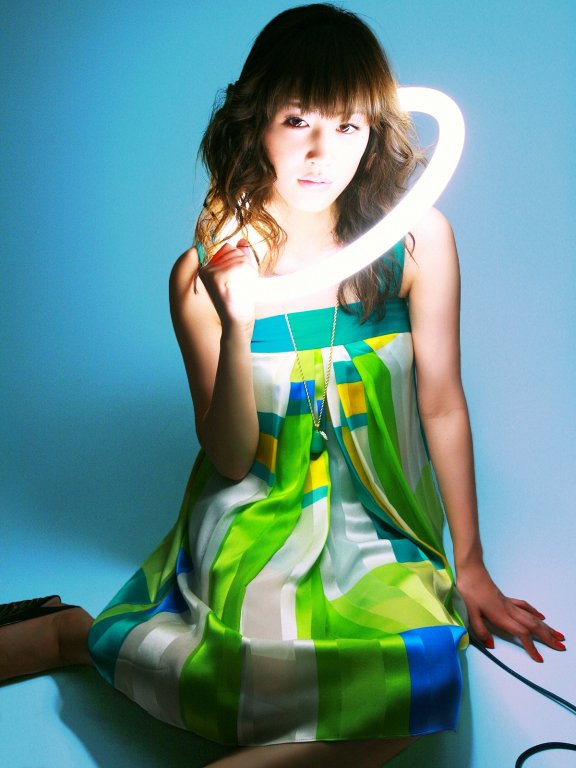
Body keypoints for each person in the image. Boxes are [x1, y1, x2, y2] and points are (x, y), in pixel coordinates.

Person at [0, 4, 566, 767]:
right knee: (250, 675)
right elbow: (231, 458)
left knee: (419, 675)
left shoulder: (416, 241)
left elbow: (440, 404)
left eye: (348, 124)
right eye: (299, 119)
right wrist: (237, 327)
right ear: (257, 120)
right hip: (258, 517)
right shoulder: (202, 277)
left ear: (374, 131)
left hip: (381, 520)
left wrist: (469, 563)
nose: (321, 152)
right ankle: (71, 635)